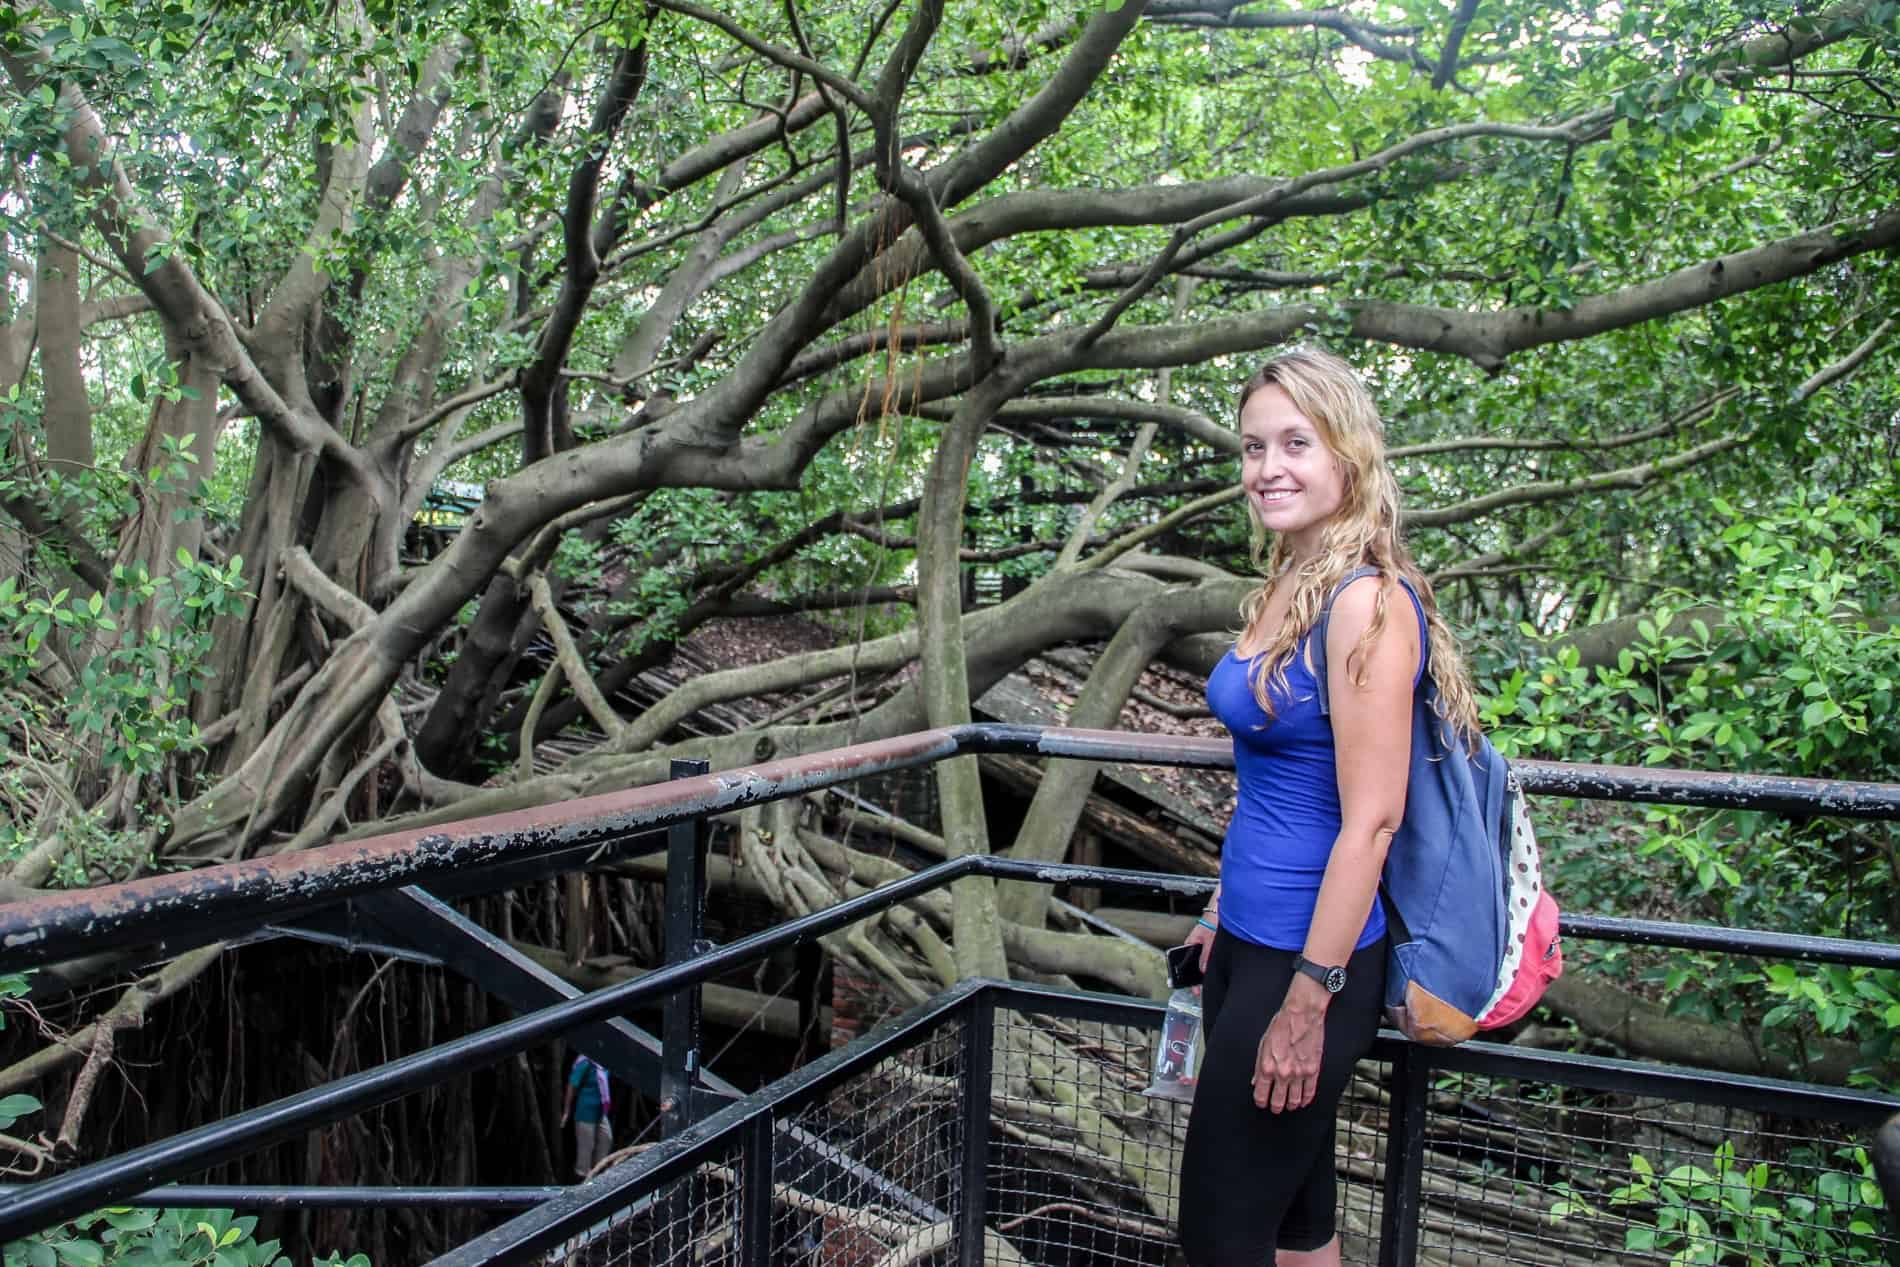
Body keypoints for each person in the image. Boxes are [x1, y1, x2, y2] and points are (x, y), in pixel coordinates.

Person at [1176, 346, 1482, 1267]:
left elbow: (1373, 819)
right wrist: (1219, 913)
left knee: (1219, 1239)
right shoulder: (1285, 582)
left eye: (1295, 443)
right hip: (1249, 945)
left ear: (1348, 453)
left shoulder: (1367, 604)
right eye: (1252, 446)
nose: (1267, 468)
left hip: (1311, 964)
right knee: (1297, 1228)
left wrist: (1309, 1000)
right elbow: (1269, 779)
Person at [559, 1053, 613, 1180]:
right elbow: (572, 1084)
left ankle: (598, 1175)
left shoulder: (605, 1063)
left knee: (606, 1139)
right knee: (586, 1149)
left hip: (601, 1113)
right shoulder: (585, 1062)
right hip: (585, 1113)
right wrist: (566, 1110)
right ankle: (582, 1183)